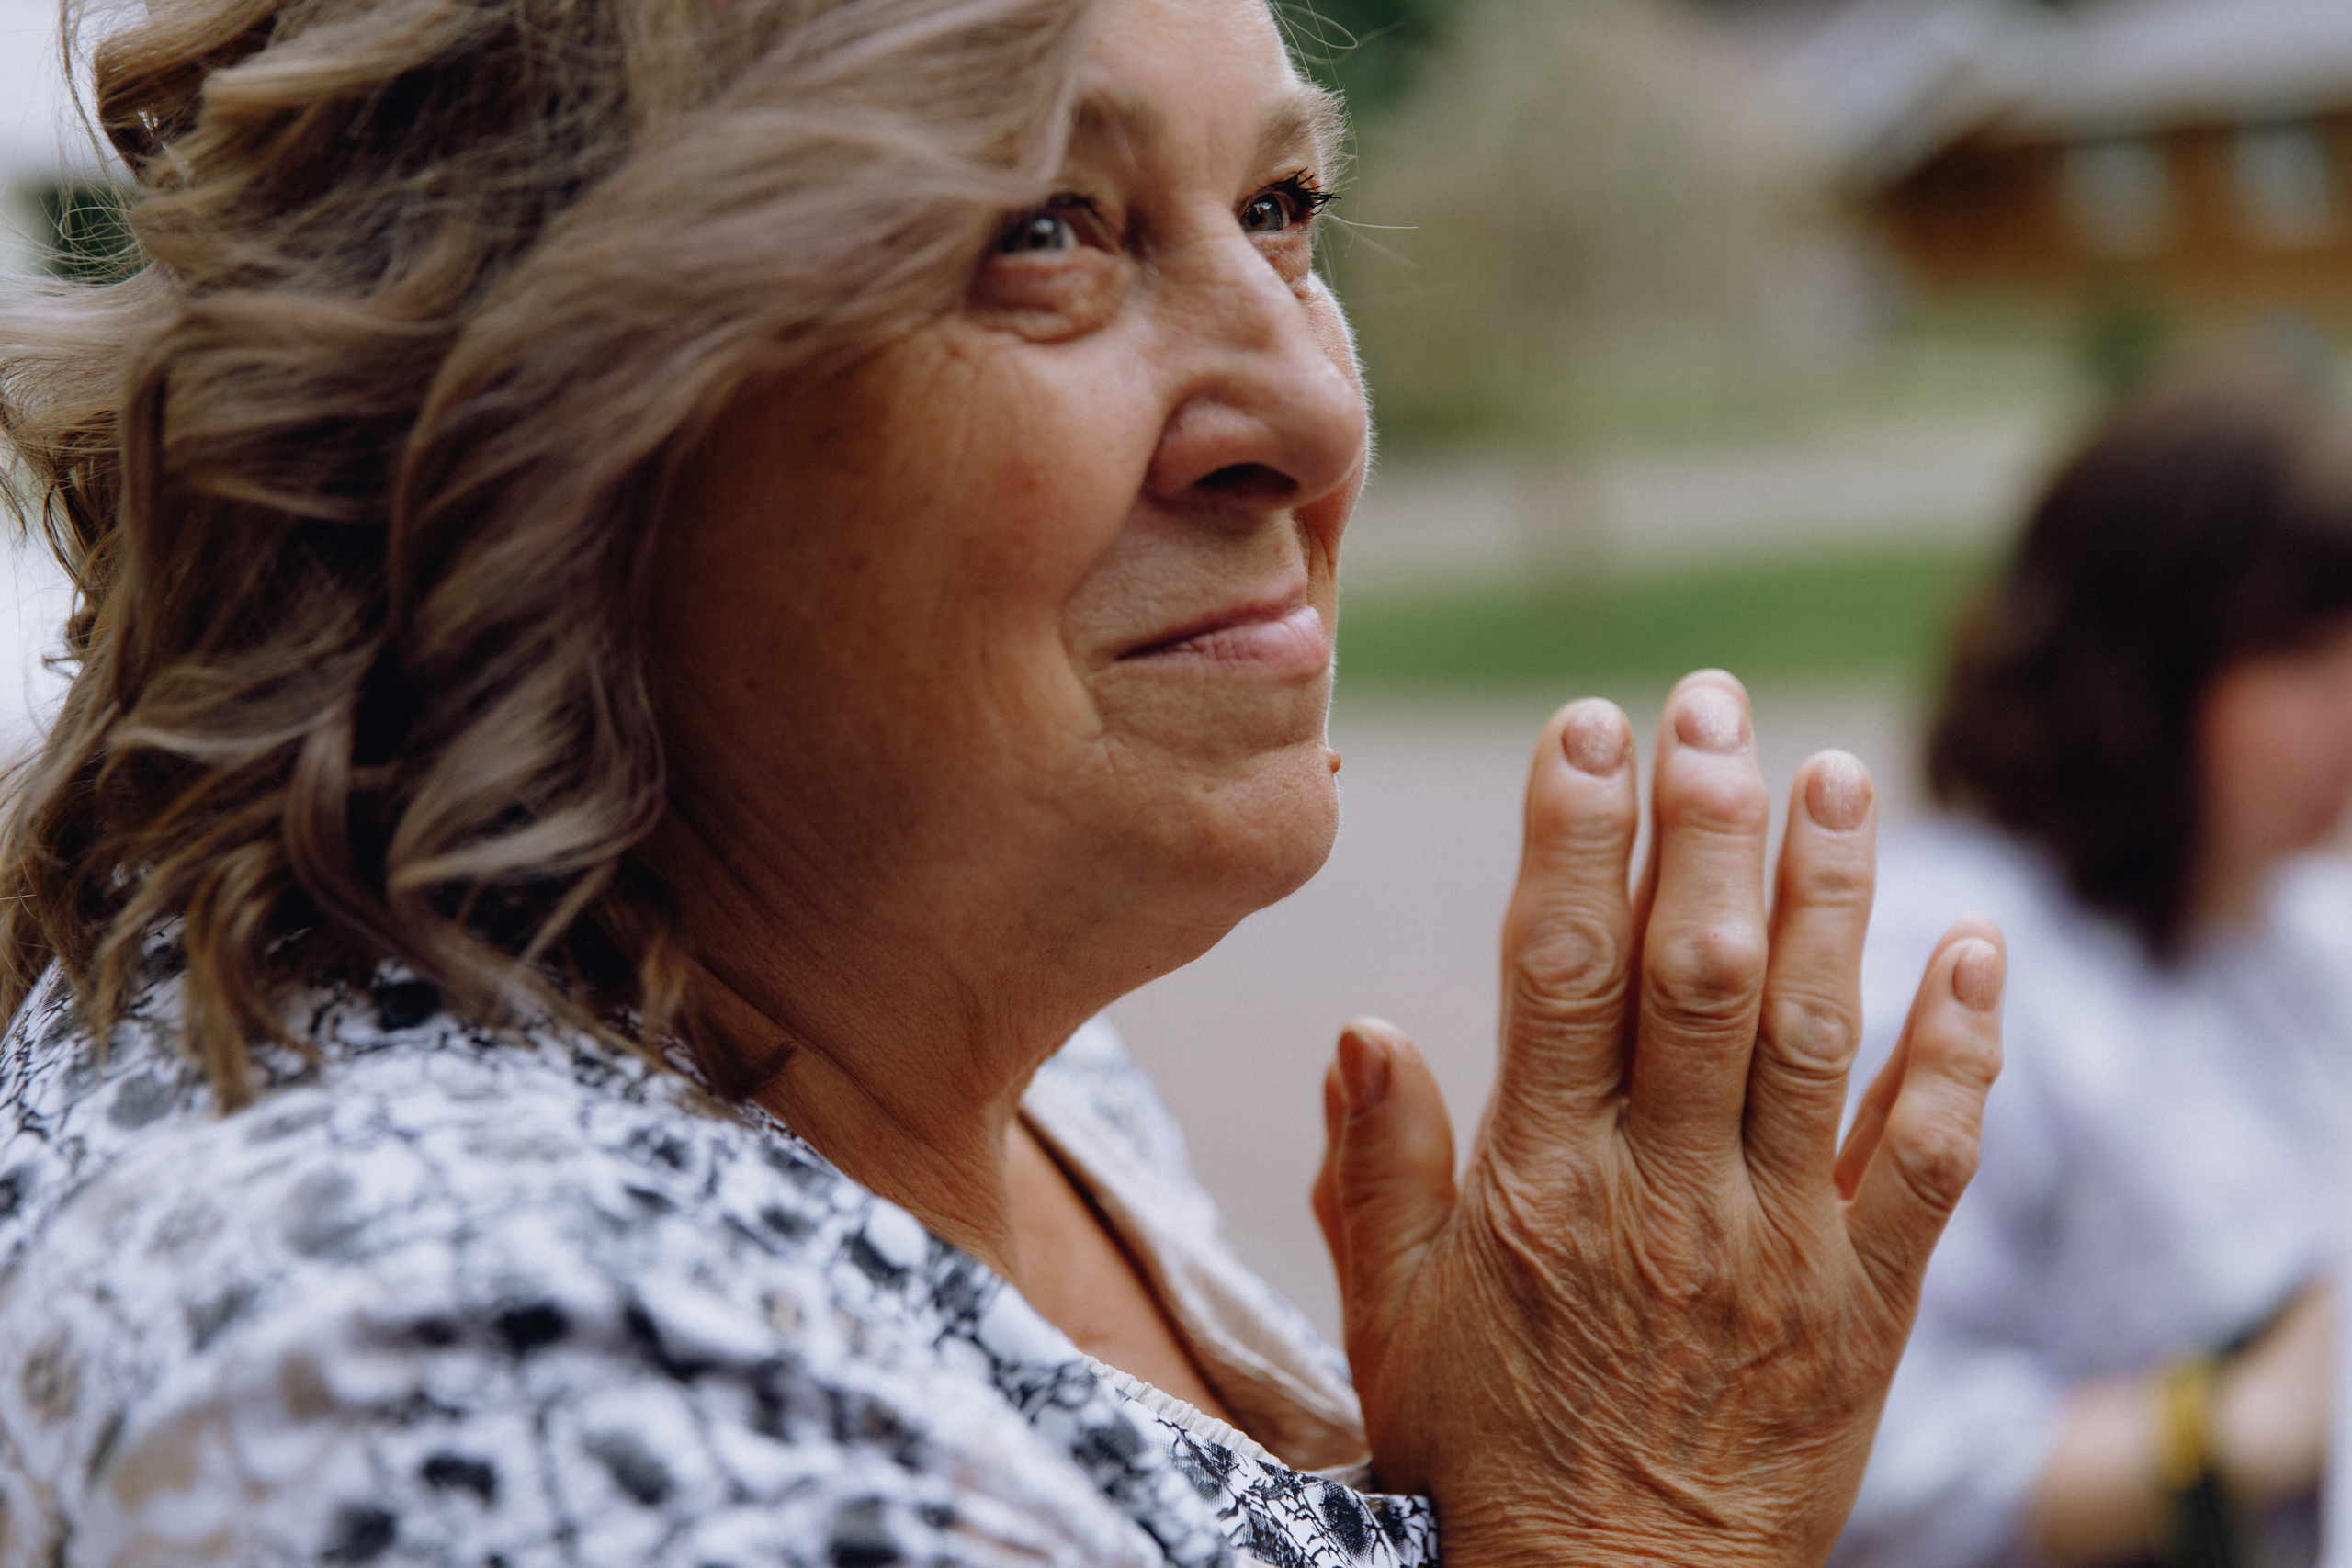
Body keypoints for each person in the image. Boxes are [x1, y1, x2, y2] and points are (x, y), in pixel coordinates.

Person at [0, 0, 2005, 1562]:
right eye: (1046, 231)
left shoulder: (901, 985)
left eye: (1280, 212)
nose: (1311, 411)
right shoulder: (438, 1365)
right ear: (537, 405)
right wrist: (1626, 1525)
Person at [1834, 374, 2352, 1568]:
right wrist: (2224, 1431)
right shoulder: (1938, 966)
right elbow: (1845, 1455)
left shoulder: (2298, 928)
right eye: (2306, 659)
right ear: (2144, 663)